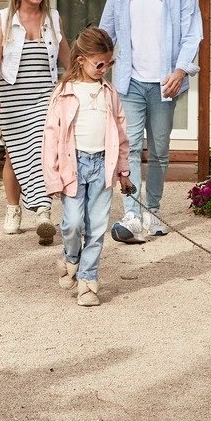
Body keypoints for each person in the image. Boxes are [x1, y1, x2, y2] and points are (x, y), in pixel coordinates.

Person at [99, 0, 203, 242]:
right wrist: (96, 65)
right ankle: (132, 211)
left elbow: (192, 34)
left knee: (158, 150)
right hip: (129, 84)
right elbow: (107, 32)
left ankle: (153, 210)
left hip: (164, 85)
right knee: (129, 147)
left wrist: (180, 71)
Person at [41, 27, 132, 306]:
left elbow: (121, 133)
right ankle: (70, 258)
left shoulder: (109, 93)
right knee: (73, 225)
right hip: (73, 166)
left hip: (103, 165)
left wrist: (124, 172)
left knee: (96, 228)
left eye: (110, 63)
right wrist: (52, 178)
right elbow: (51, 137)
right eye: (100, 63)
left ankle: (88, 283)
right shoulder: (64, 93)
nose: (105, 68)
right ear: (81, 60)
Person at [0, 0, 70, 243]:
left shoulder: (53, 18)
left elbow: (66, 60)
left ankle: (43, 211)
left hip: (45, 94)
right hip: (13, 95)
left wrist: (79, 84)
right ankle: (13, 209)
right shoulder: (4, 18)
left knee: (42, 150)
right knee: (14, 154)